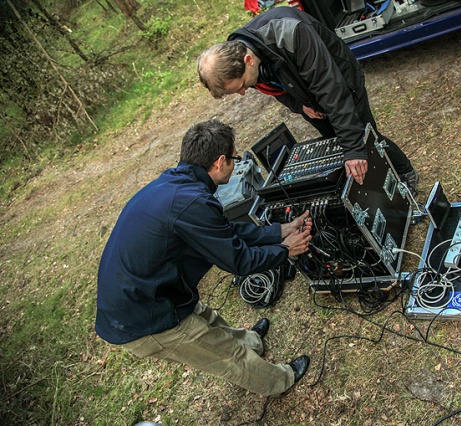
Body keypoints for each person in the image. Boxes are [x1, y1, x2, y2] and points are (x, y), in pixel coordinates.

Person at [95, 119, 312, 397]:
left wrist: (278, 231)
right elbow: (240, 261)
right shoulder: (192, 201)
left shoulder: (178, 184)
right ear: (220, 162)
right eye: (234, 159)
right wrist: (286, 250)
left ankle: (253, 341)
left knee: (206, 317)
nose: (235, 165)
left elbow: (223, 231)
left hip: (156, 290)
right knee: (223, 354)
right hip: (142, 315)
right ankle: (281, 380)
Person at [197, 6, 418, 193]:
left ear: (248, 60)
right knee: (335, 142)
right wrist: (300, 105)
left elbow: (331, 87)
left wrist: (353, 149)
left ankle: (405, 172)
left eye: (243, 86)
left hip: (341, 82)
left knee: (365, 138)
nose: (244, 92)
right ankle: (376, 186)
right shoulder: (242, 53)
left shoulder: (291, 32)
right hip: (309, 98)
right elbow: (275, 87)